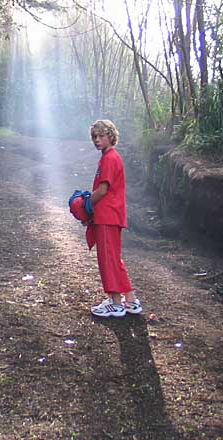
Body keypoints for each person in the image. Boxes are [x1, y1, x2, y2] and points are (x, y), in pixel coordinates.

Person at [85, 119, 142, 318]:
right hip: (109, 214)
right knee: (113, 259)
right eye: (94, 137)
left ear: (110, 136)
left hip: (108, 215)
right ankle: (131, 300)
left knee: (107, 260)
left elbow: (102, 190)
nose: (97, 140)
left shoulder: (110, 158)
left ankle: (116, 303)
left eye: (101, 136)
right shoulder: (108, 157)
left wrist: (85, 205)